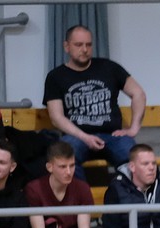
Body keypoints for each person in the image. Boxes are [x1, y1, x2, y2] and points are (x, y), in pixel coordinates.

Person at [43, 24, 145, 179]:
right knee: (64, 159)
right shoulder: (55, 77)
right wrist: (85, 137)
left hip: (112, 135)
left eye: (88, 45)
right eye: (78, 45)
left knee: (134, 159)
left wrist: (133, 128)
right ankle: (80, 194)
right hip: (76, 136)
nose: (84, 49)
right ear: (66, 46)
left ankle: (125, 193)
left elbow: (138, 94)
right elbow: (56, 117)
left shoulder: (109, 68)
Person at [24, 141, 92, 228]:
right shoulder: (34, 189)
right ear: (49, 167)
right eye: (62, 167)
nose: (69, 172)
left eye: (72, 165)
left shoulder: (83, 188)